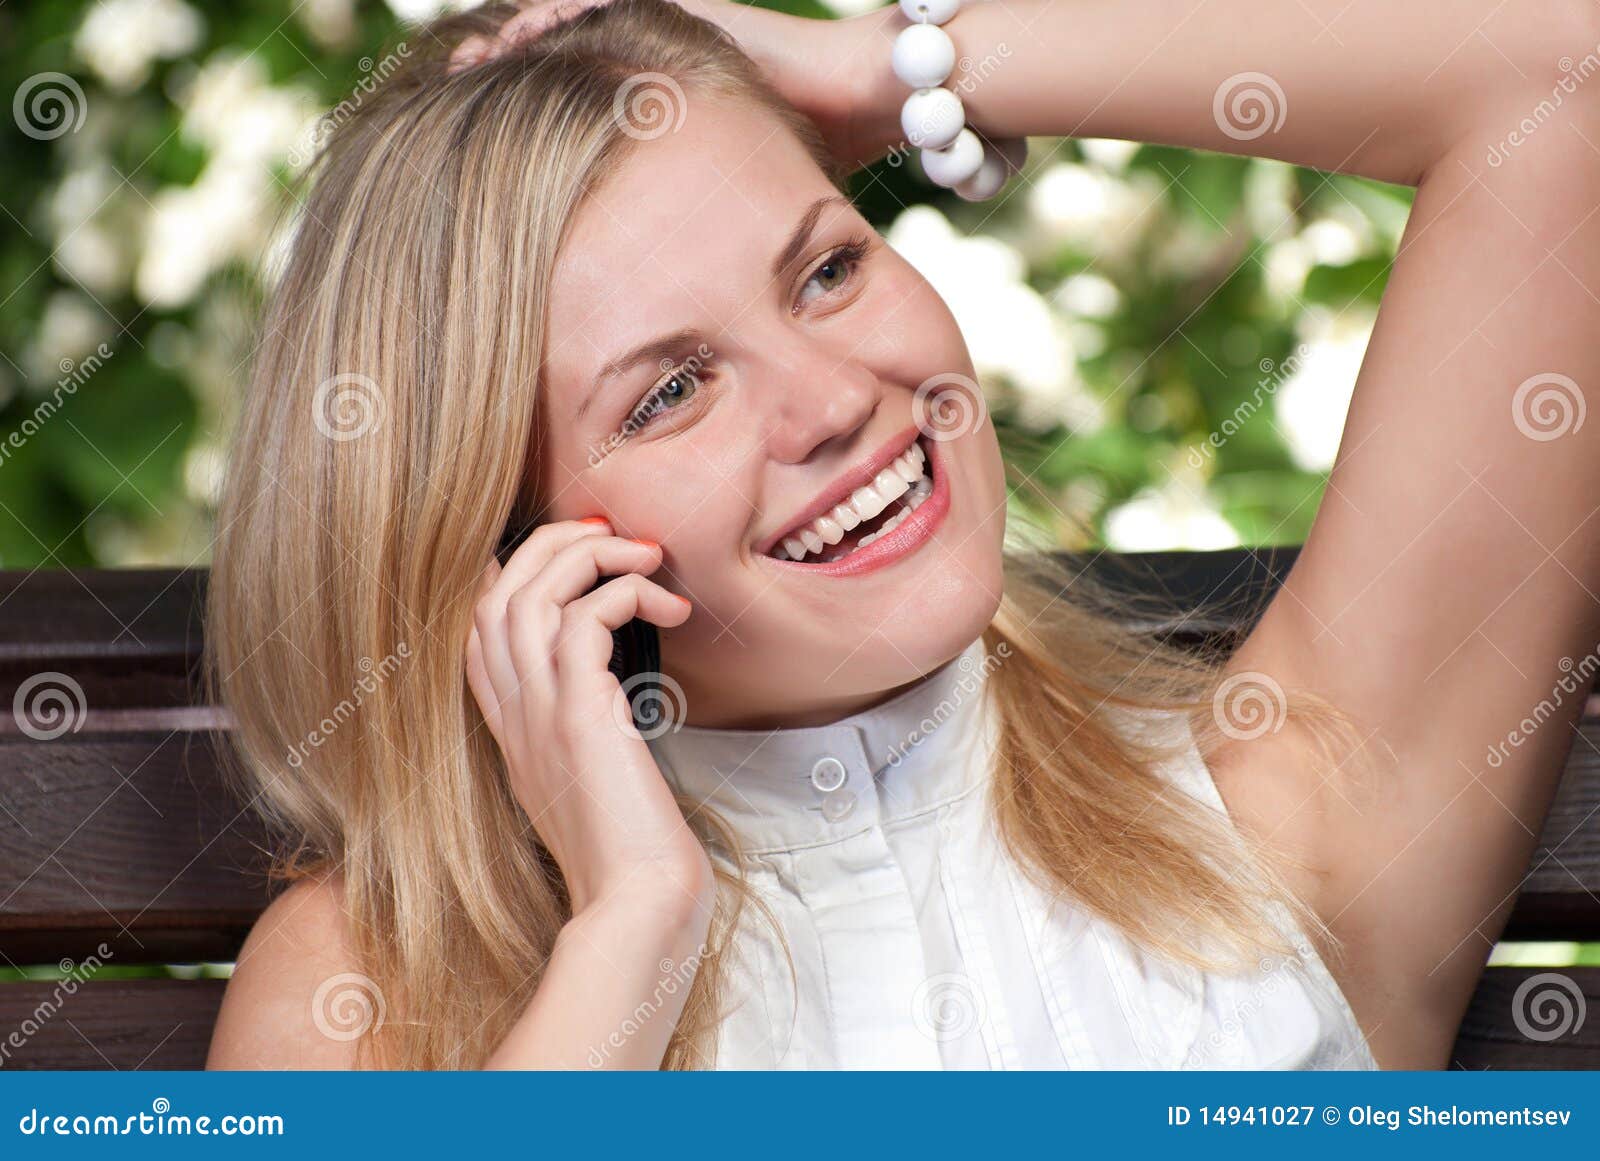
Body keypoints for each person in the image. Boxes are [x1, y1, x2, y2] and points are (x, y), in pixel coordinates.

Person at [204, 0, 1600, 1069]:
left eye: (826, 267)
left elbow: (1568, 92)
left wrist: (893, 69)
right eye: (673, 389)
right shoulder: (364, 991)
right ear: (508, 557)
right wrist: (628, 929)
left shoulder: (1288, 801)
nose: (833, 401)